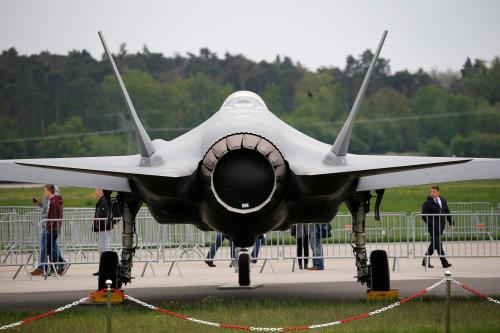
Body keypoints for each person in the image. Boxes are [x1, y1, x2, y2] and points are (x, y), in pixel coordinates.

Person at [31, 184, 68, 276]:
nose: (44, 193)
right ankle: (53, 266)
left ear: (49, 191)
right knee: (51, 247)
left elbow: (52, 210)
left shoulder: (54, 192)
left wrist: (49, 226)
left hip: (49, 227)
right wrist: (38, 203)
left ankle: (50, 267)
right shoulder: (50, 197)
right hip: (48, 225)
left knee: (49, 247)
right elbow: (47, 207)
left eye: (45, 191)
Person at [421, 185, 453, 268]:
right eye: (431, 191)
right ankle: (444, 262)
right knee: (438, 245)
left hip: (441, 227)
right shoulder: (427, 203)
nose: (432, 193)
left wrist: (451, 222)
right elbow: (424, 216)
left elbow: (447, 211)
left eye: (433, 192)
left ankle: (425, 261)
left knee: (434, 244)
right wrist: (431, 224)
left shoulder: (443, 200)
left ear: (438, 192)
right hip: (432, 228)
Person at [92, 188, 114, 276]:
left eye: (96, 190)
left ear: (101, 191)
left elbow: (104, 216)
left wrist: (97, 219)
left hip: (104, 228)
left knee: (104, 249)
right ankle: (102, 268)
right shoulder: (103, 200)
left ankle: (105, 269)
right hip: (103, 228)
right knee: (102, 249)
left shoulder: (104, 201)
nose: (95, 191)